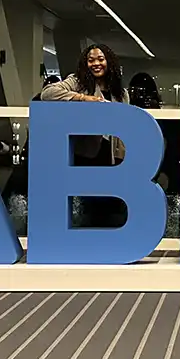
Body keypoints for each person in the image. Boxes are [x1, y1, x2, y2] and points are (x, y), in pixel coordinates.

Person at [42, 43, 128, 228]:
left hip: (112, 156)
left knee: (112, 202)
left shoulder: (121, 93)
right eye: (91, 60)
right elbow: (47, 93)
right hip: (87, 153)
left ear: (109, 62)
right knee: (91, 201)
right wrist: (82, 98)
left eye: (100, 59)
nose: (96, 63)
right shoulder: (77, 82)